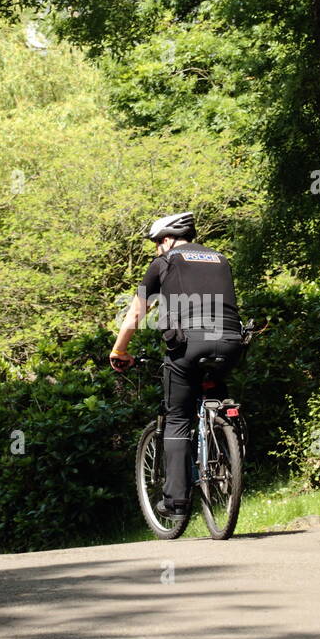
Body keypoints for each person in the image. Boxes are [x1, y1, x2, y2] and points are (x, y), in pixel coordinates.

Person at [110, 212, 245, 521]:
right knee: (217, 394)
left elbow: (135, 315)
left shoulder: (165, 262)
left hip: (189, 346)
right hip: (231, 342)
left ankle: (176, 502)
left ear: (167, 239)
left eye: (158, 242)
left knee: (178, 418)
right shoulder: (220, 259)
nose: (158, 248)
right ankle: (225, 437)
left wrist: (119, 350)